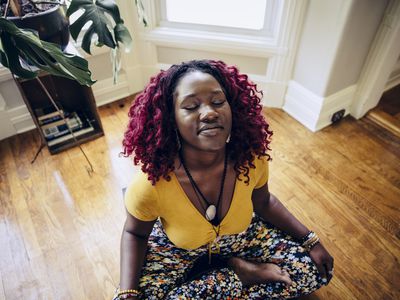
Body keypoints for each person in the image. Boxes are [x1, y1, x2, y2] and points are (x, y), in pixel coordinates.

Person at [115, 60, 334, 299]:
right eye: (190, 106)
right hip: (177, 249)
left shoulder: (250, 159)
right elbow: (135, 234)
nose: (210, 113)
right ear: (170, 120)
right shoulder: (150, 184)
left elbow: (264, 202)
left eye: (218, 102)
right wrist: (128, 292)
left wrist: (310, 240)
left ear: (233, 108)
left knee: (311, 272)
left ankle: (224, 275)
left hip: (241, 238)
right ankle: (238, 275)